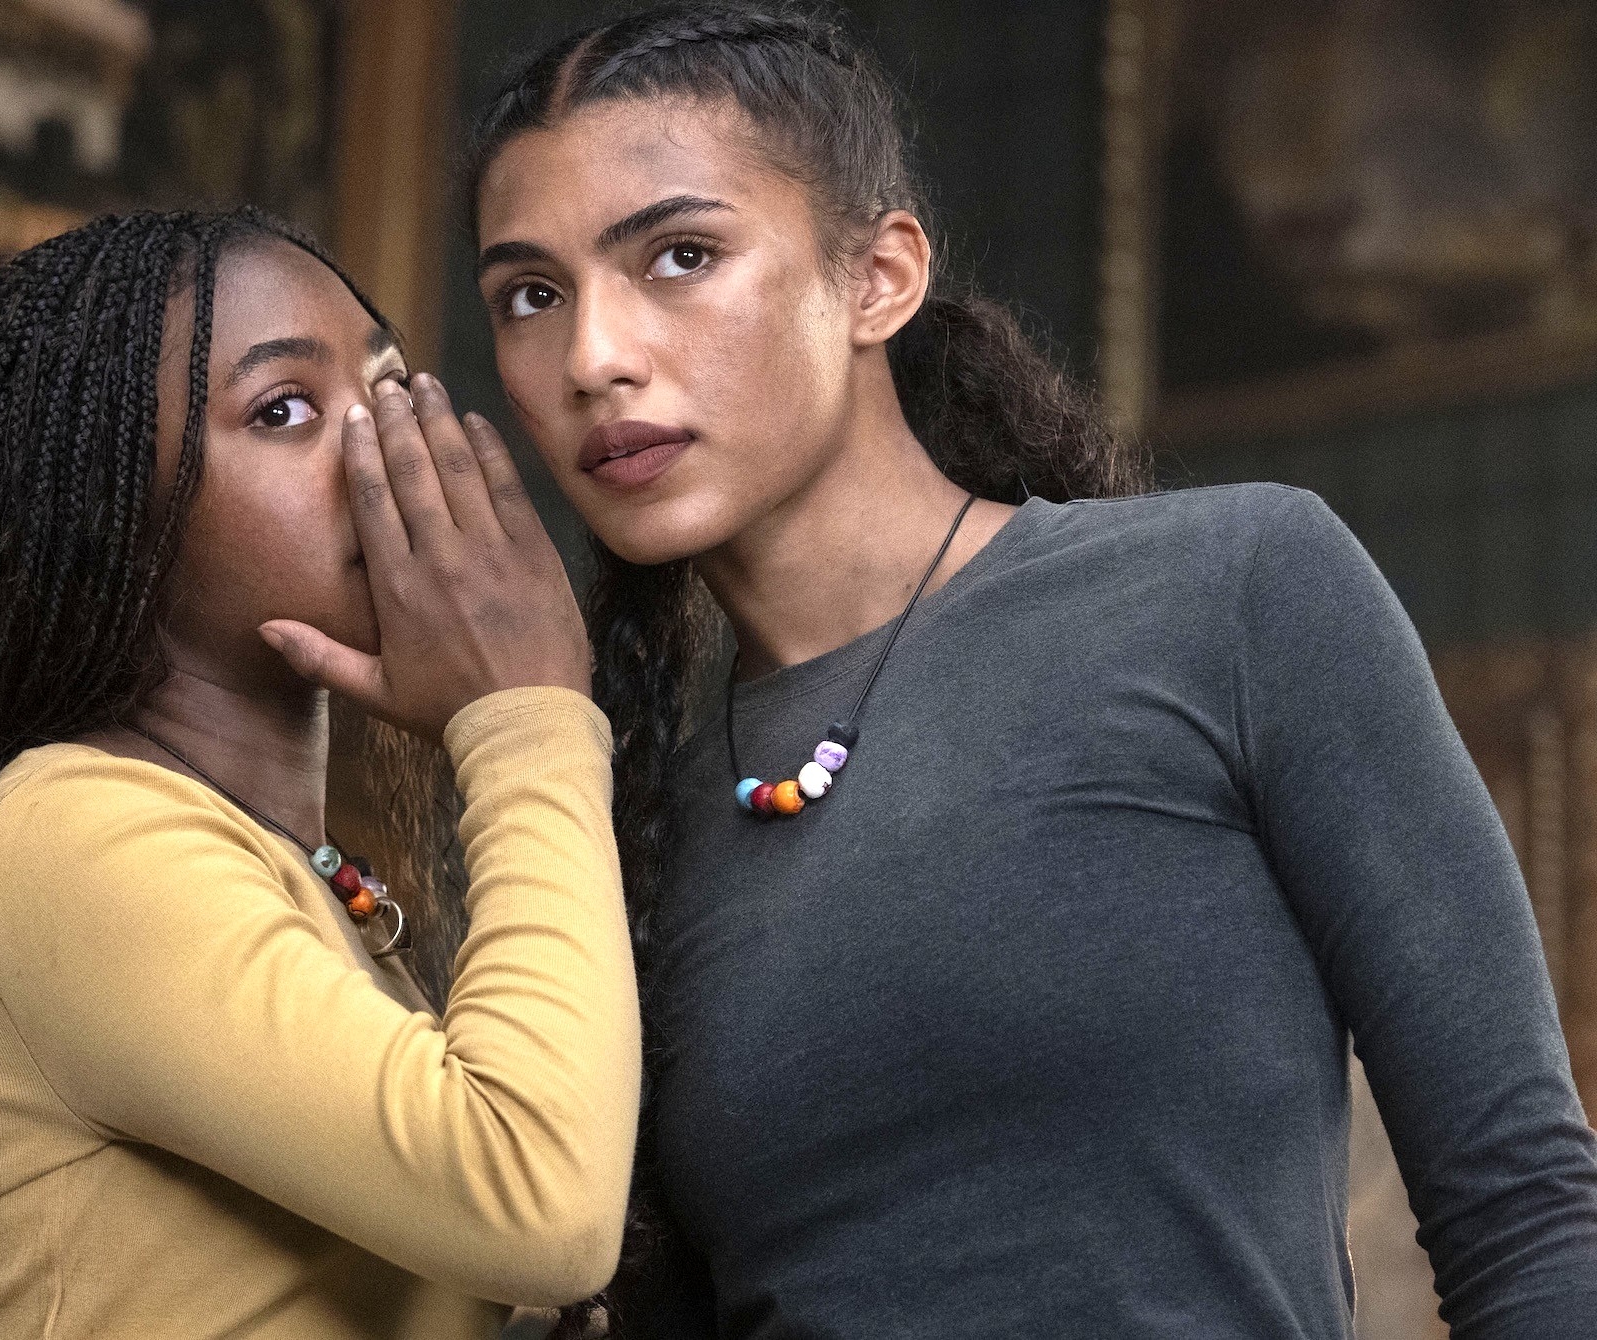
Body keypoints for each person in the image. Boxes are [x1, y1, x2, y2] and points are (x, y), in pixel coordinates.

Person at [442, 5, 1597, 1336]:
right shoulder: (625, 824)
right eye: (531, 295)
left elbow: (1526, 1214)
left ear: (879, 277)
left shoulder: (1233, 592)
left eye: (680, 255)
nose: (593, 357)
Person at [0, 206, 639, 1338]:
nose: (385, 445)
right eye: (283, 409)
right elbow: (536, 1201)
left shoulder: (285, 870)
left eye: (392, 386)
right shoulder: (63, 835)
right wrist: (527, 714)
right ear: (110, 513)